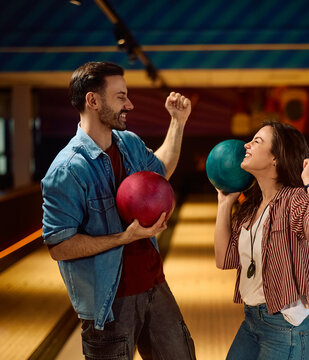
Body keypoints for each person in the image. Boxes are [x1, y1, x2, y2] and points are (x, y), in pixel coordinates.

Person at [41, 61, 196, 360]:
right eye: (121, 97)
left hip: (153, 286)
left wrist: (178, 122)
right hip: (109, 303)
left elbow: (159, 172)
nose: (130, 104)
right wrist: (123, 238)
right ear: (93, 100)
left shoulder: (128, 143)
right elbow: (59, 246)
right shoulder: (67, 170)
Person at [214, 120, 309, 360]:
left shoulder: (294, 200)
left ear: (276, 158)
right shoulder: (251, 207)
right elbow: (223, 259)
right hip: (251, 321)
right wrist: (224, 204)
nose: (246, 145)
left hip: (285, 327)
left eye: (257, 141)